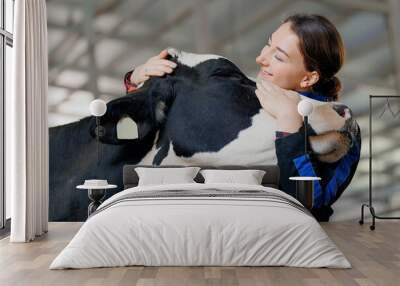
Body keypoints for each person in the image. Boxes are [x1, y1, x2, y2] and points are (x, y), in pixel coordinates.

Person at [122, 13, 361, 221]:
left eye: (278, 57)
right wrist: (139, 79)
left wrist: (290, 122)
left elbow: (310, 202)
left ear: (308, 79)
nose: (261, 58)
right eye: (267, 45)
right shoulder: (248, 92)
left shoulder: (338, 124)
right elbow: (177, 123)